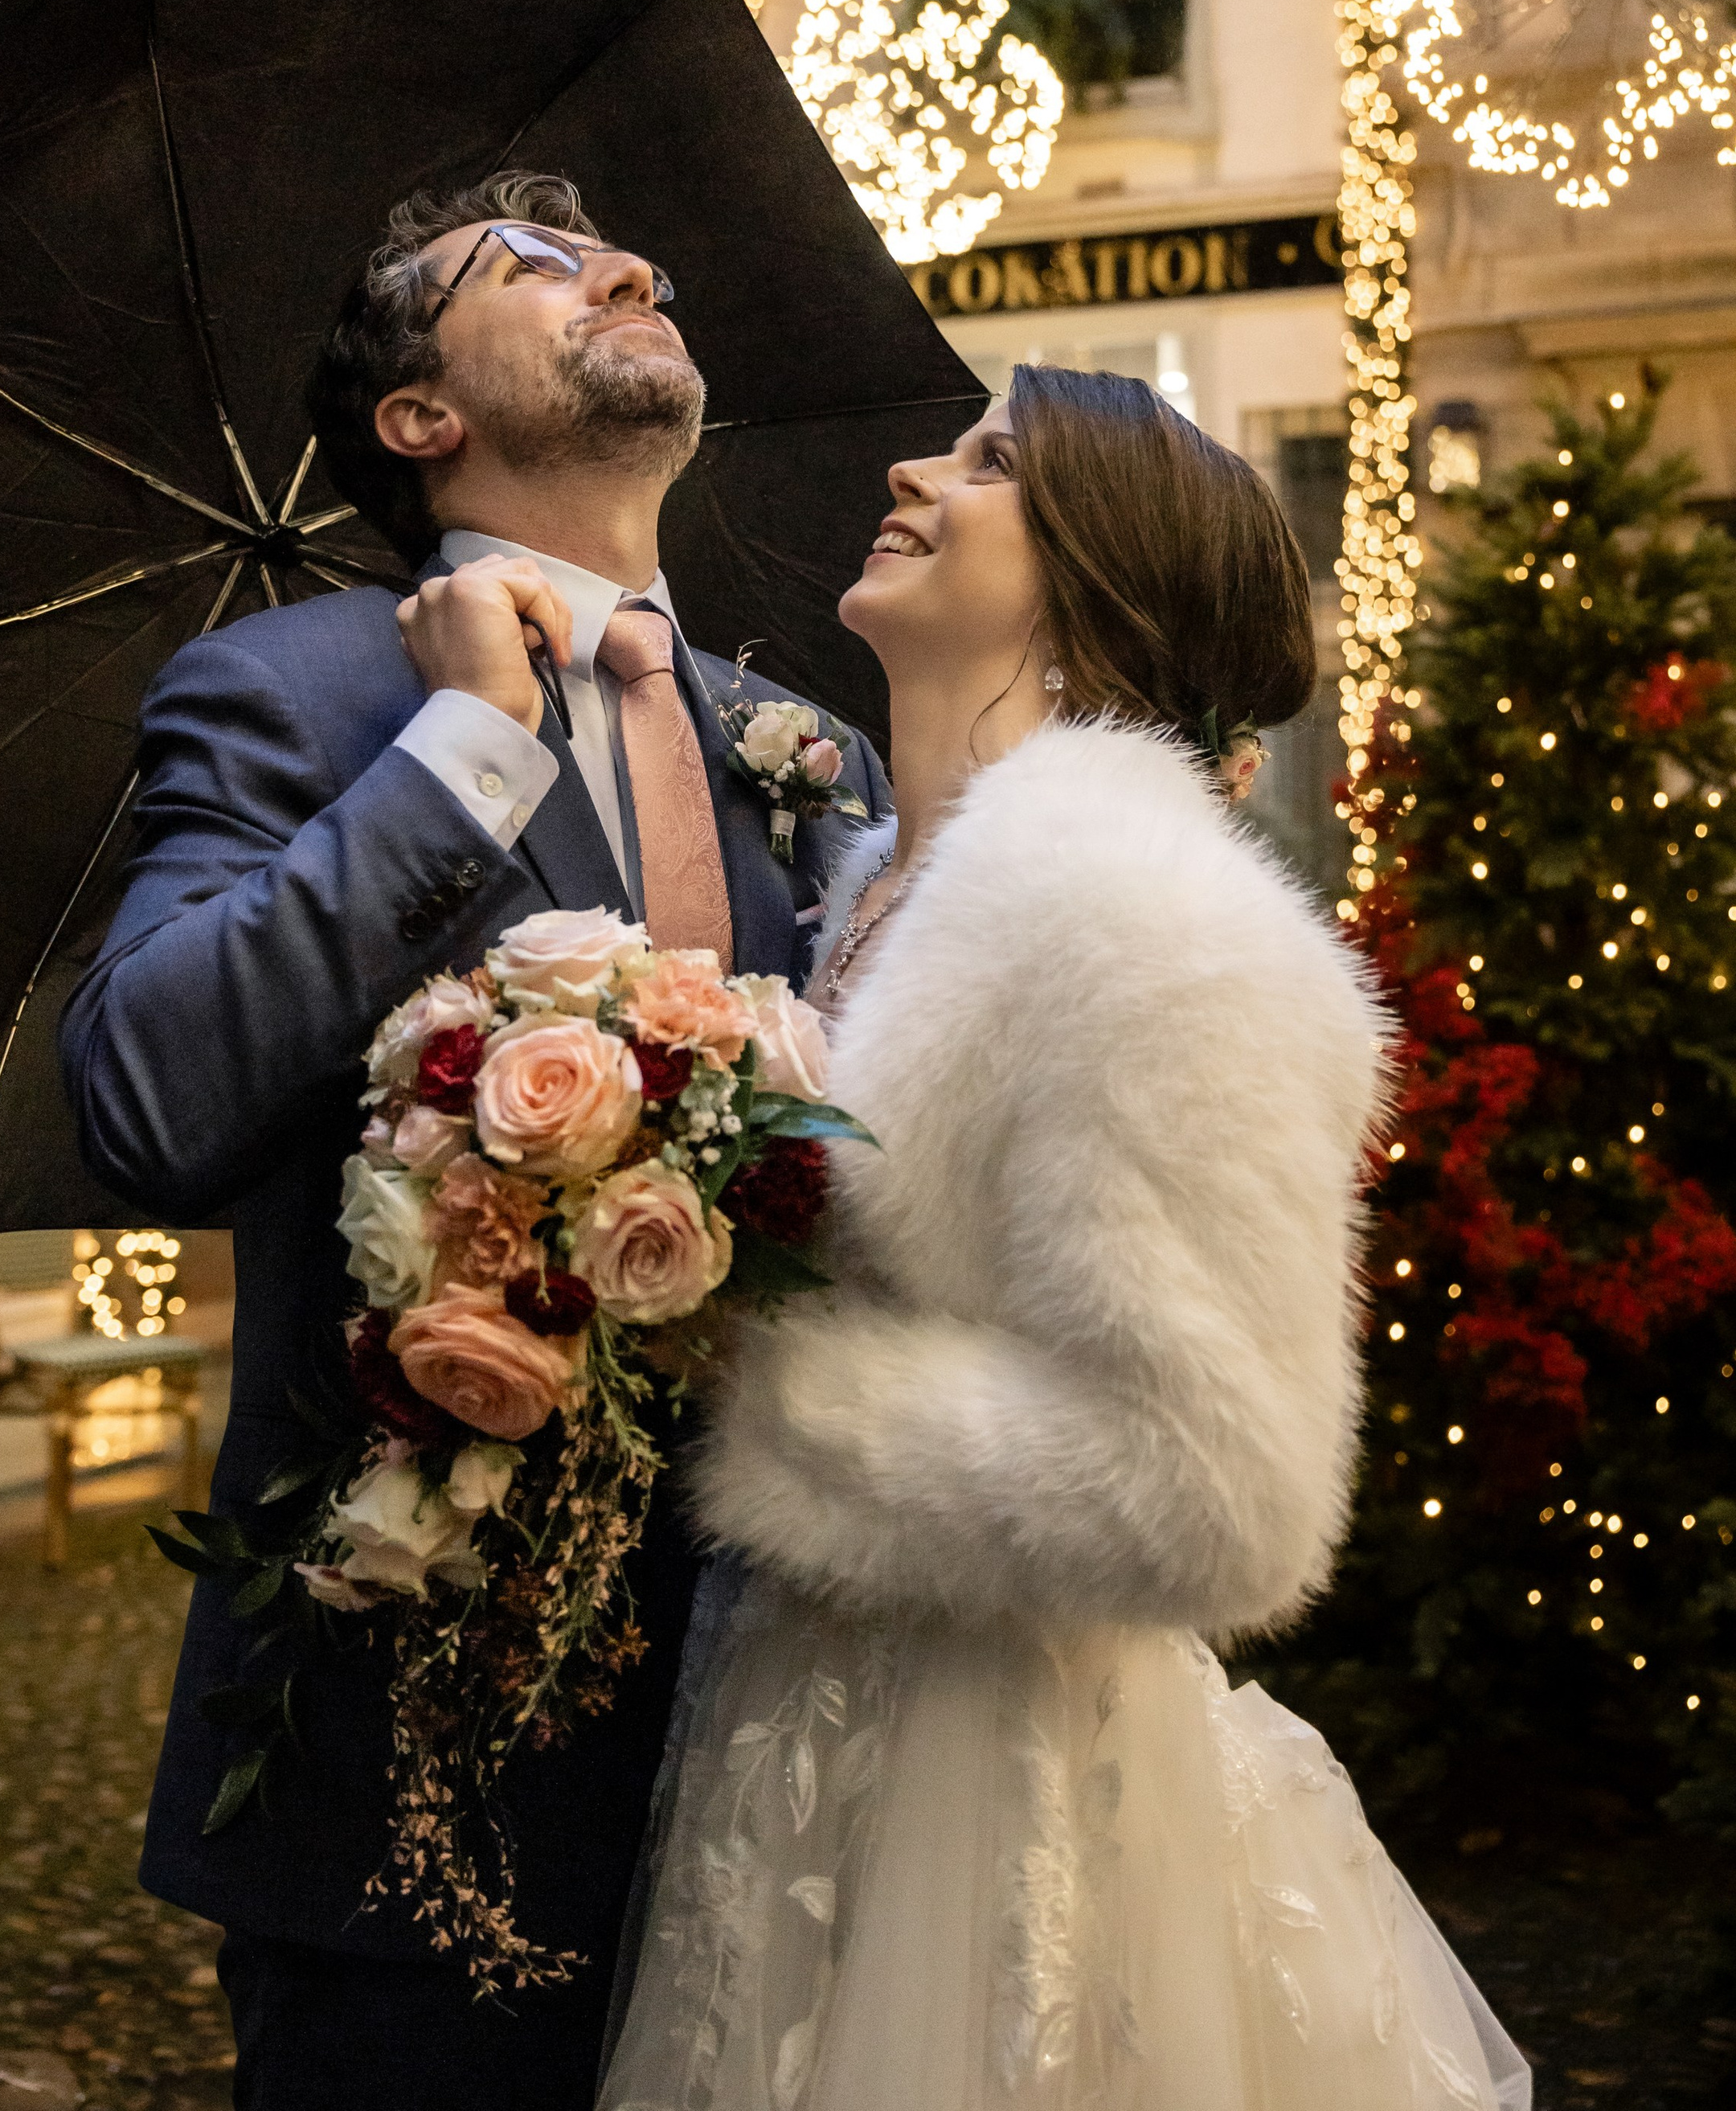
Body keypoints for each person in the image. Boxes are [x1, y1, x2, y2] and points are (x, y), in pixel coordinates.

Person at [599, 367, 1531, 2111]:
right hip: (788, 1739)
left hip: (997, 1785)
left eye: (989, 462)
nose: (909, 465)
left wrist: (766, 1390)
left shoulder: (1147, 922)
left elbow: (1220, 1493)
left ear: (1097, 581)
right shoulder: (867, 895)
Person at [59, 171, 887, 2111]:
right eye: (523, 263)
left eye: (622, 252)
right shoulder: (297, 690)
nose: (627, 263)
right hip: (407, 1762)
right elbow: (146, 1105)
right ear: (419, 418)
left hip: (783, 1733)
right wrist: (458, 754)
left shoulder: (810, 749)